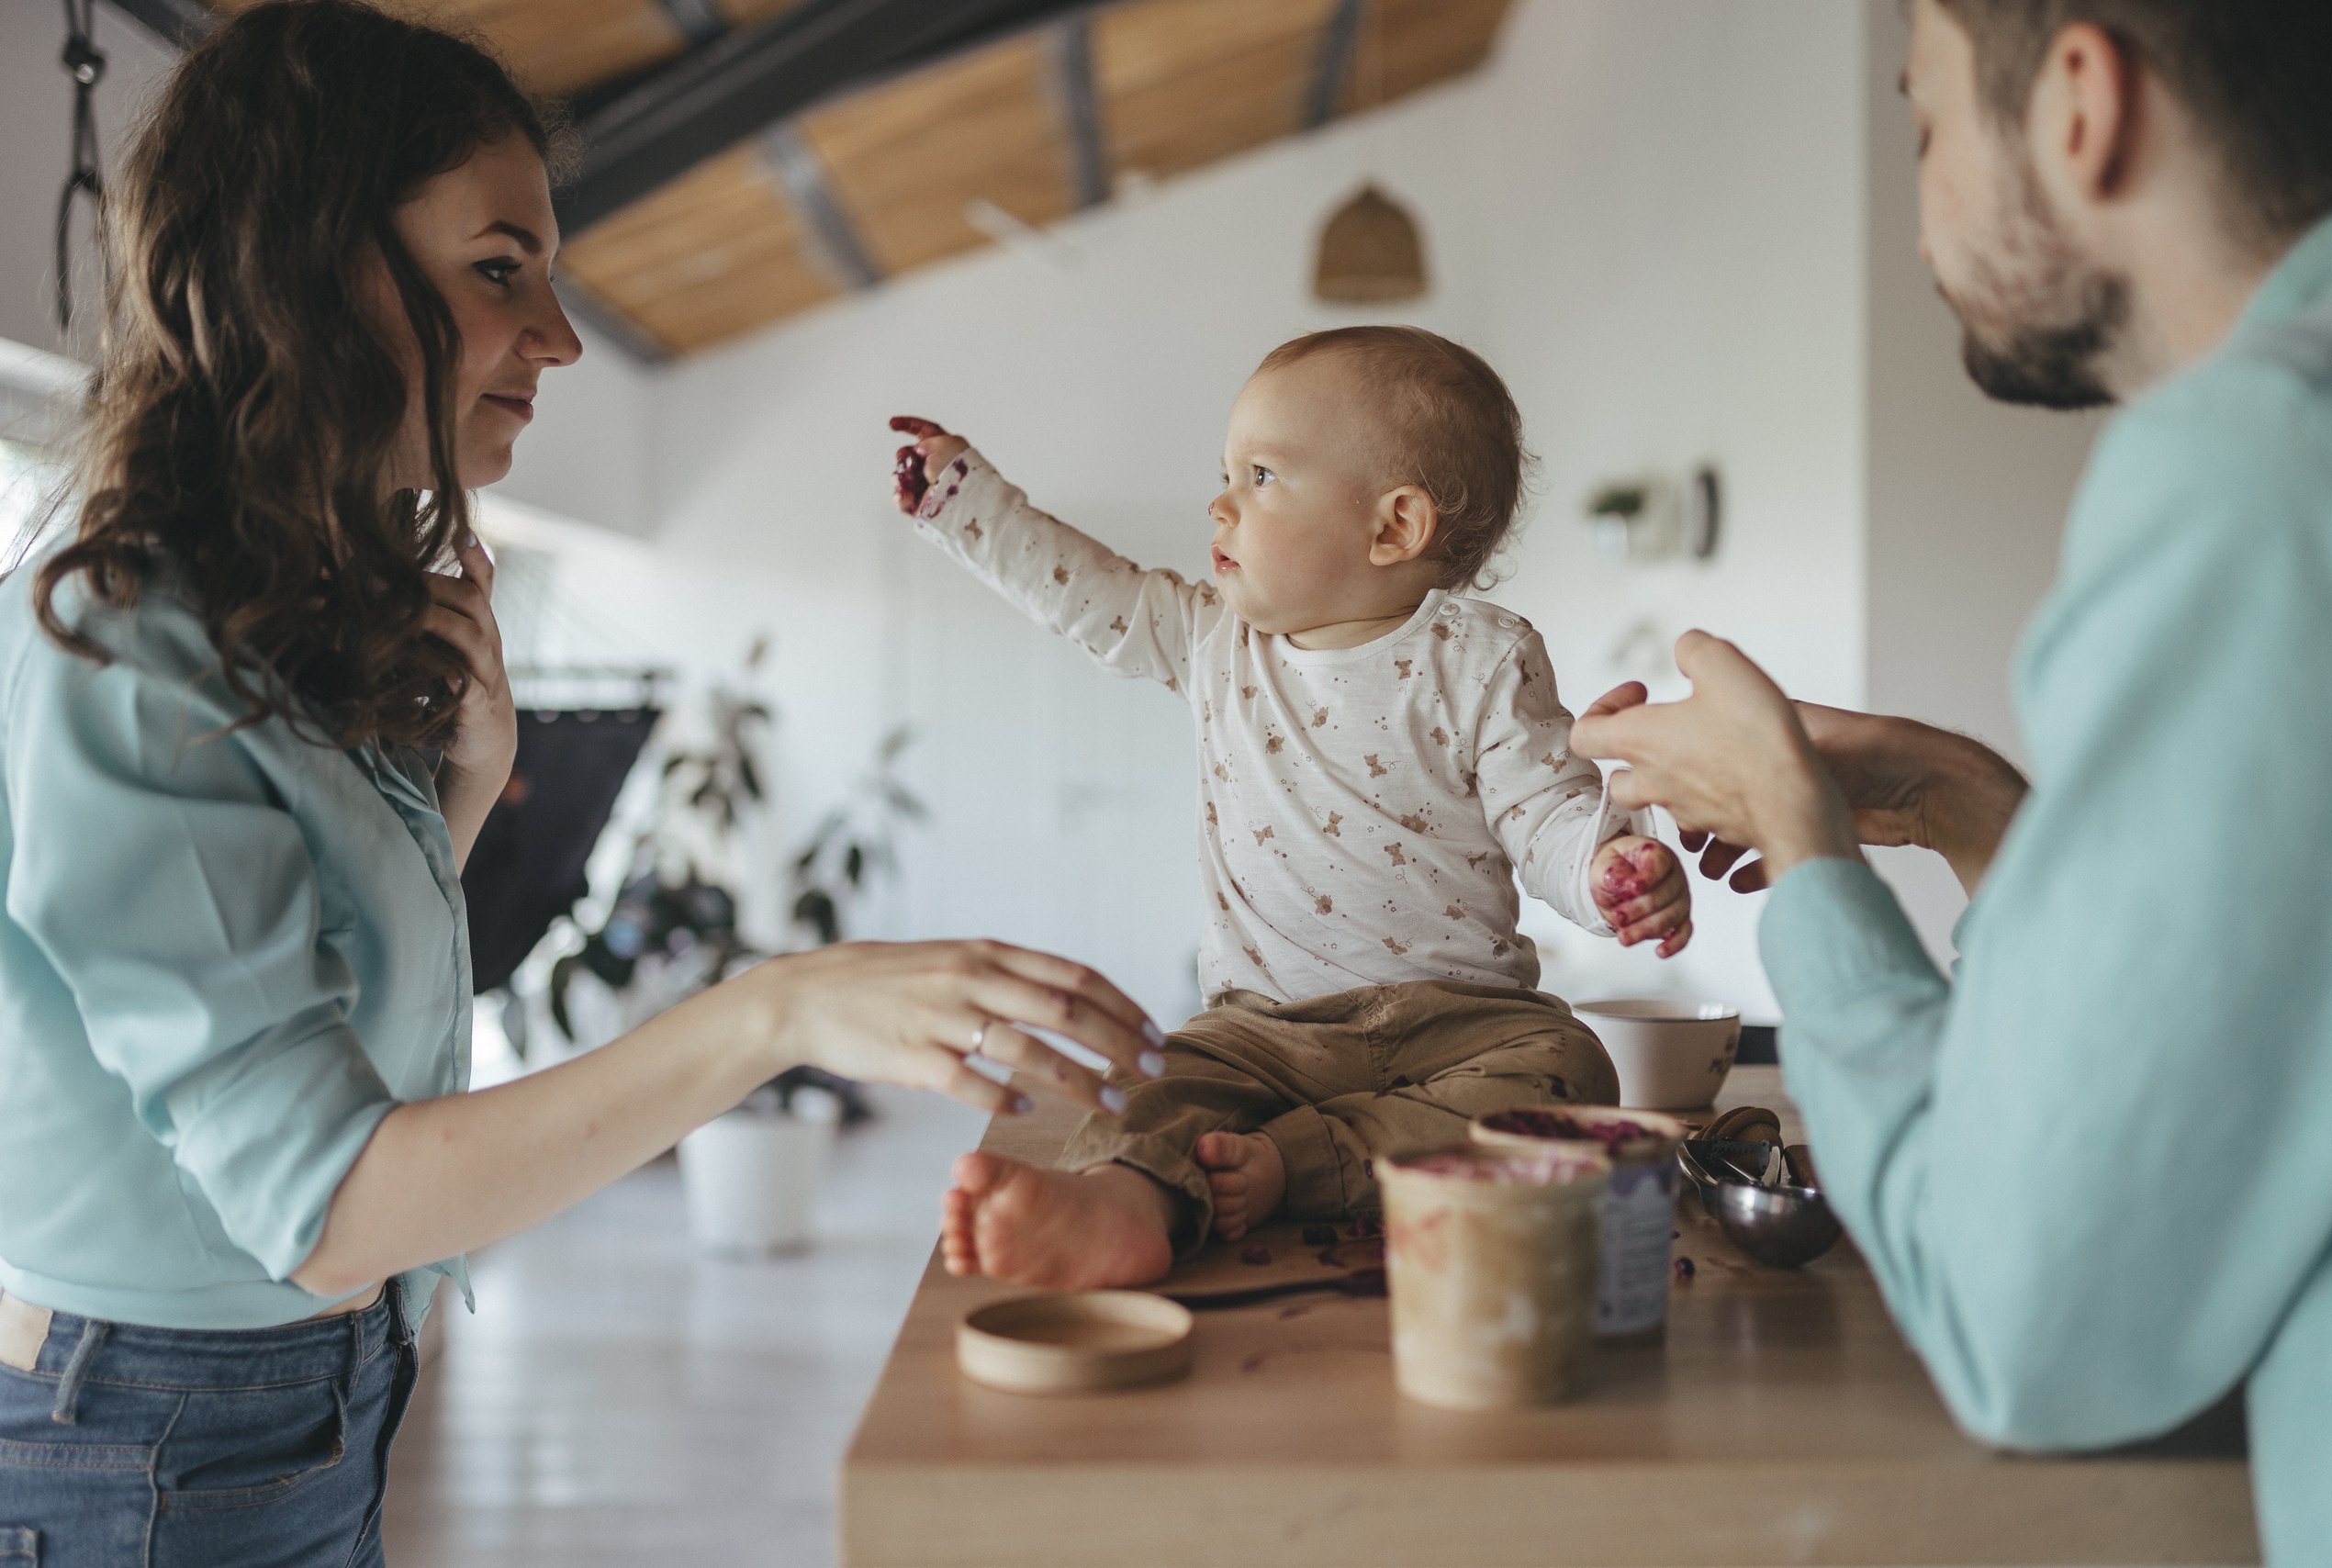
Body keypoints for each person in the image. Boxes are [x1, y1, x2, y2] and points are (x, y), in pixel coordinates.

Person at [0, 6, 1159, 1562]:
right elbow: (325, 1203)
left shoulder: (272, 610)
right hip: (140, 1434)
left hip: (293, 1391)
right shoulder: (130, 644)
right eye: (500, 269)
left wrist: (468, 791)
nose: (558, 335)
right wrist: (776, 1011)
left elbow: (311, 999)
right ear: (314, 265)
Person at [1566, 2, 2332, 1562]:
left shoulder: (2259, 463)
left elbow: (2029, 1319)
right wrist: (1964, 805)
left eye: (1925, 126)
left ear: (2080, 103)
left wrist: (1801, 840)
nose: (1922, 220)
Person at [891, 326, 1694, 1291]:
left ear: (1393, 528)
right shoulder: (1211, 642)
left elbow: (1545, 813)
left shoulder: (1483, 656)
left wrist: (1608, 867)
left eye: (1262, 475)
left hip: (1462, 1023)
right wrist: (966, 501)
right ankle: (1124, 1207)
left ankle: (1291, 1163)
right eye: (1226, 474)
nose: (1220, 502)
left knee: (1572, 1065)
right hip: (1261, 1031)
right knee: (1150, 1085)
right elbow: (1083, 593)